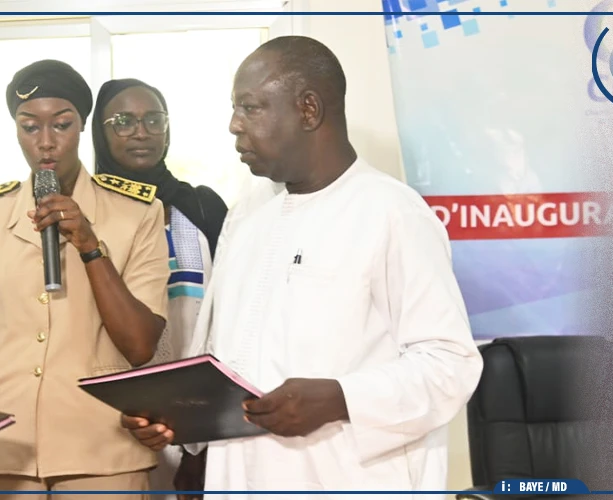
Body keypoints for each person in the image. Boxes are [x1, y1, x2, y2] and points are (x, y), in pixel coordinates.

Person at [121, 36, 483, 498]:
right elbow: (223, 355)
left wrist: (340, 398)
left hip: (347, 479)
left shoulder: (392, 213)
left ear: (308, 110)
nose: (234, 125)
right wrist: (175, 416)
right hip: (241, 478)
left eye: (250, 108)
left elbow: (449, 363)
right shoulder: (247, 213)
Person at [0, 59, 170, 499]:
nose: (45, 142)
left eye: (61, 125)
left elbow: (140, 346)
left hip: (101, 445)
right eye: (29, 126)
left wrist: (90, 245)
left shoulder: (138, 213)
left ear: (82, 127)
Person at [90, 78, 227, 499]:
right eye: (123, 121)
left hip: (197, 414)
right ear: (100, 133)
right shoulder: (85, 215)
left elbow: (228, 314)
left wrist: (205, 438)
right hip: (112, 416)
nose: (141, 132)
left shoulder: (202, 206)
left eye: (153, 119)